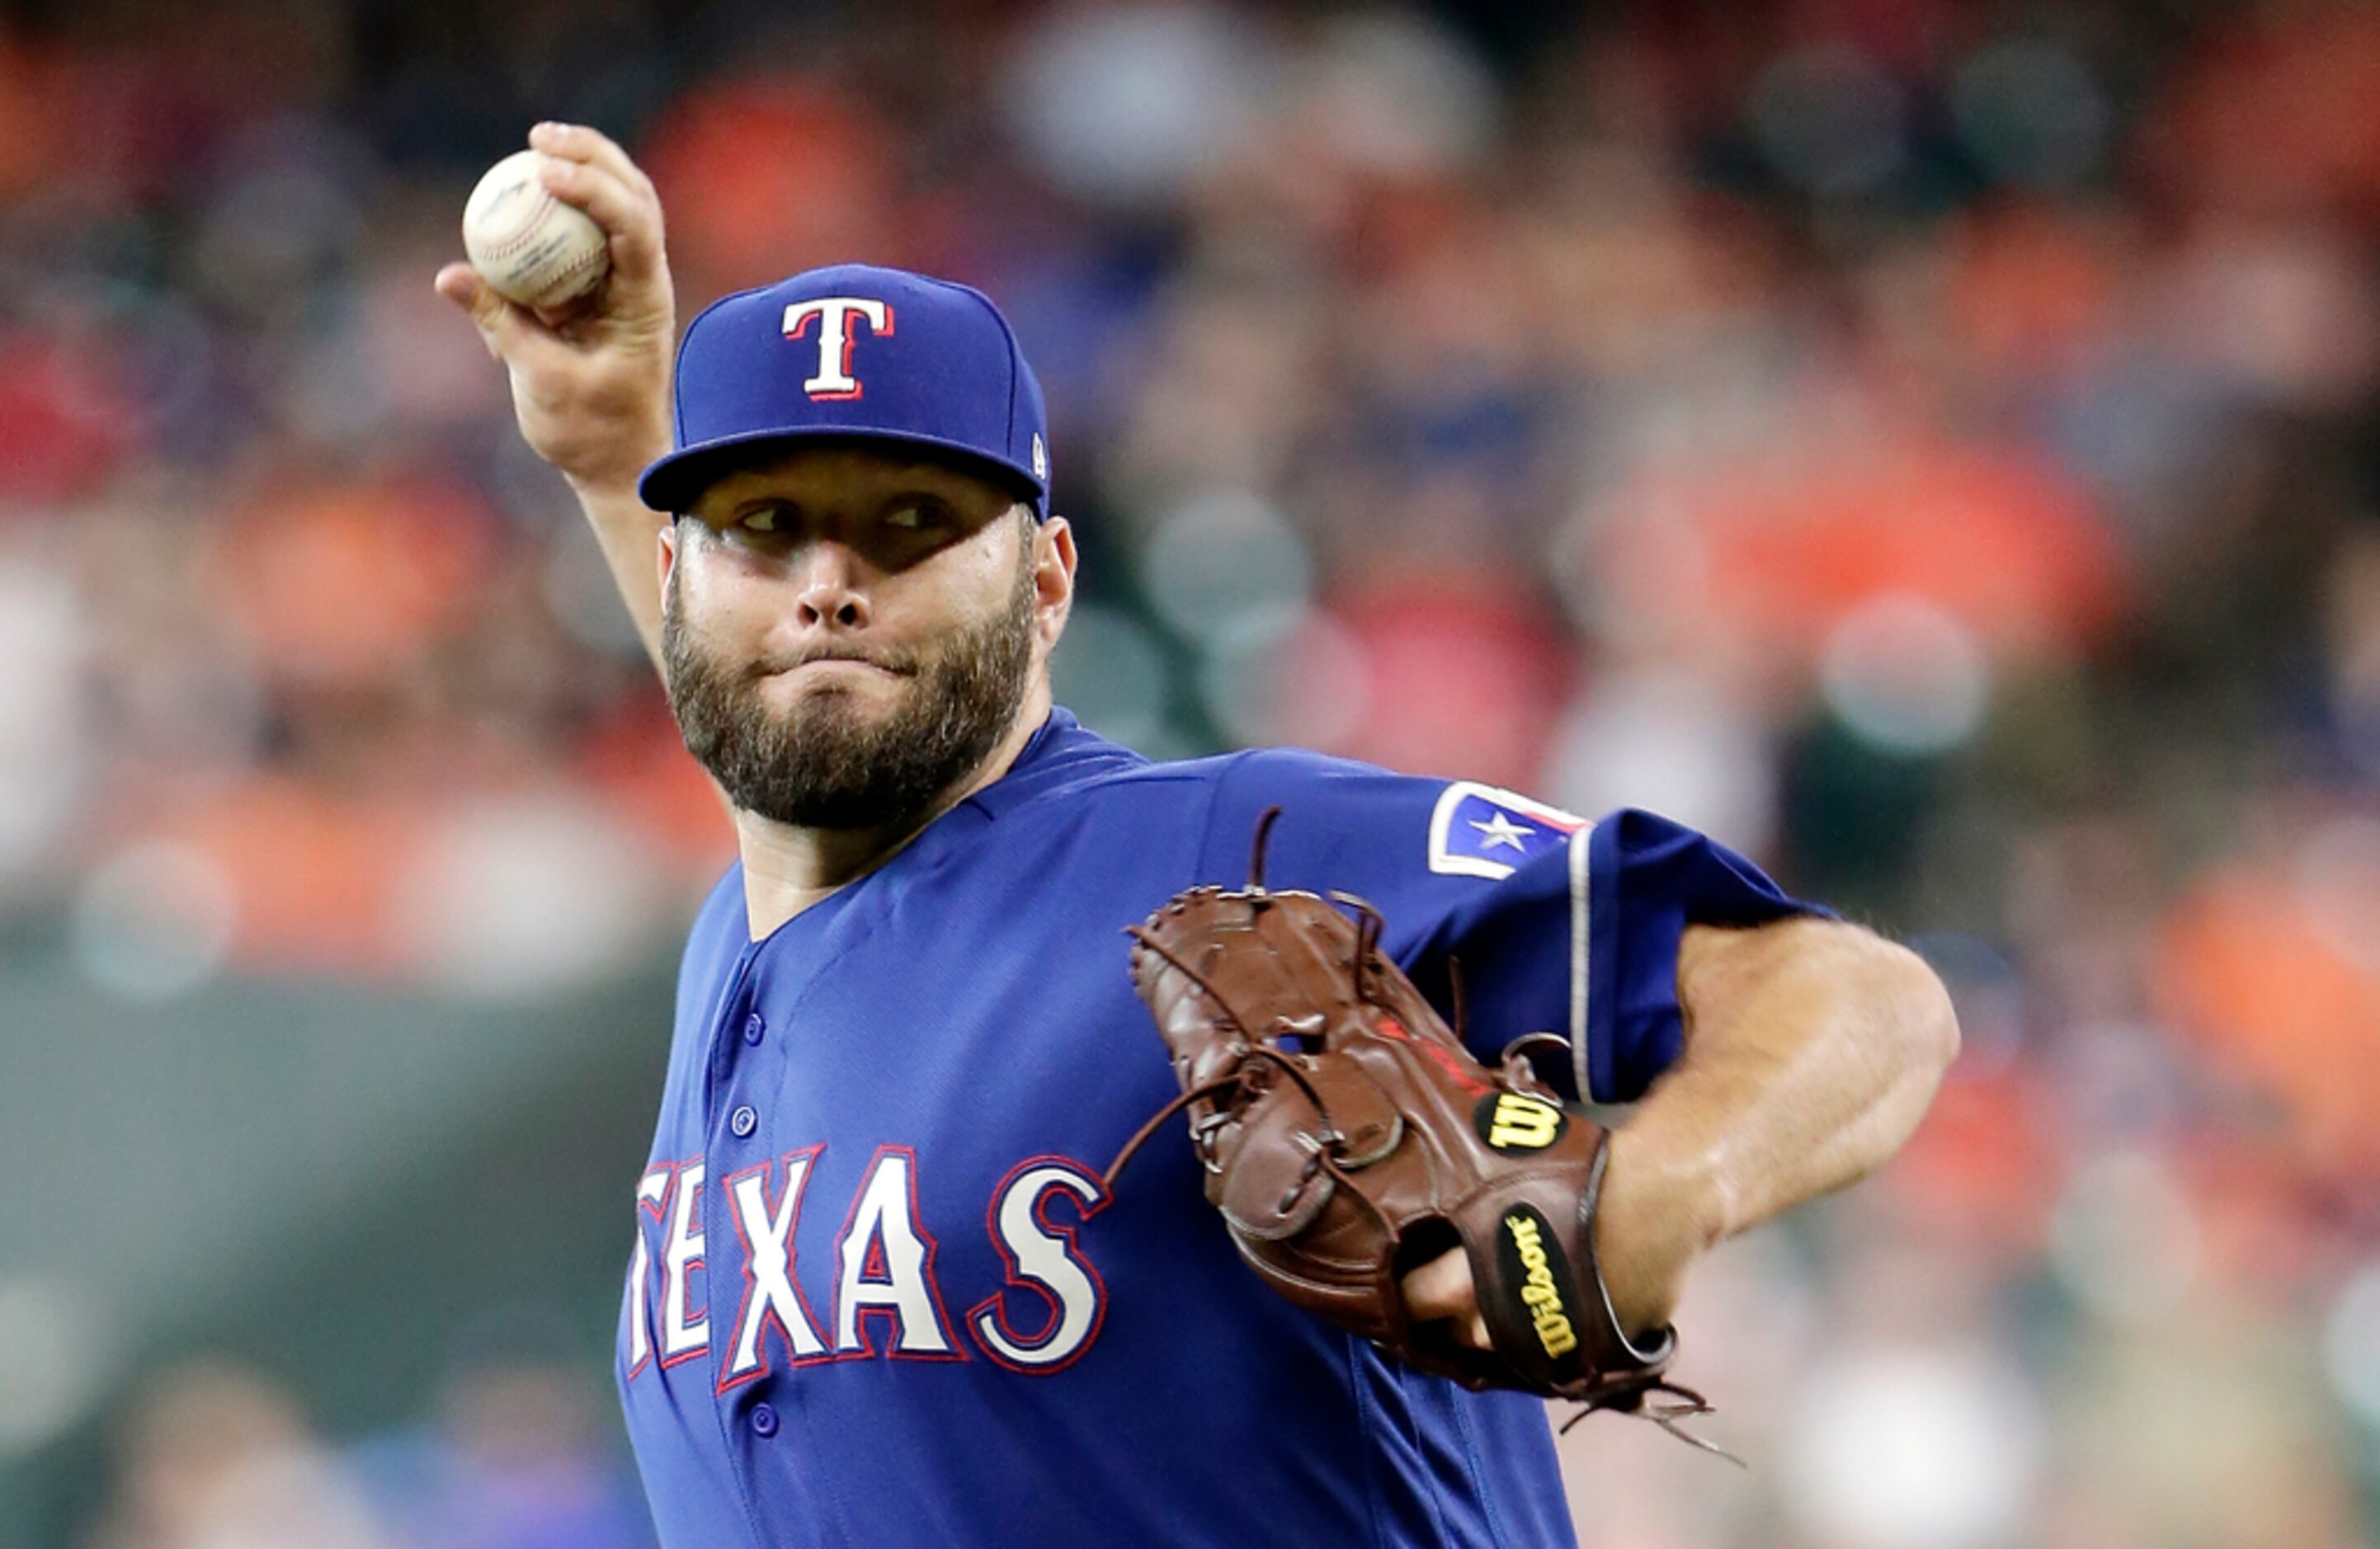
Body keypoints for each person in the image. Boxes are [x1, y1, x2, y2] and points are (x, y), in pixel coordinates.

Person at [436, 122, 1959, 1548]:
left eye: (910, 521)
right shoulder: (757, 929)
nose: (828, 580)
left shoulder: (1224, 849)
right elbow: (774, 715)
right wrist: (612, 444)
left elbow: (1861, 1001)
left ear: (1045, 584)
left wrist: (1663, 1180)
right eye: (766, 524)